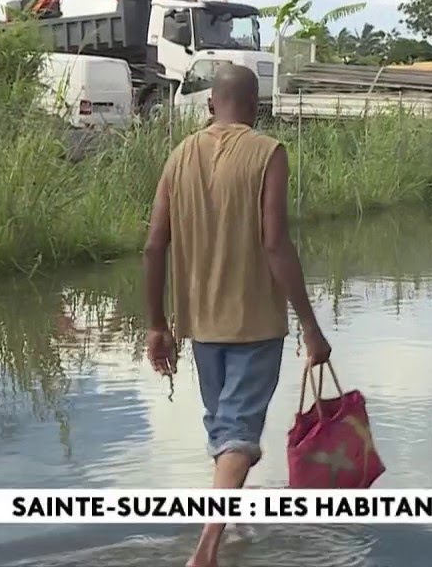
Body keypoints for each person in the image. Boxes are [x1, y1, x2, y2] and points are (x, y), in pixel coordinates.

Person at [142, 64, 331, 567]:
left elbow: (154, 244)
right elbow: (274, 243)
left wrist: (157, 324)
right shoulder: (268, 153)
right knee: (238, 435)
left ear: (209, 106)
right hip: (255, 322)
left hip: (199, 326)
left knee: (226, 432)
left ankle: (231, 522)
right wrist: (312, 328)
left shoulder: (179, 155)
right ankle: (207, 549)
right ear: (256, 105)